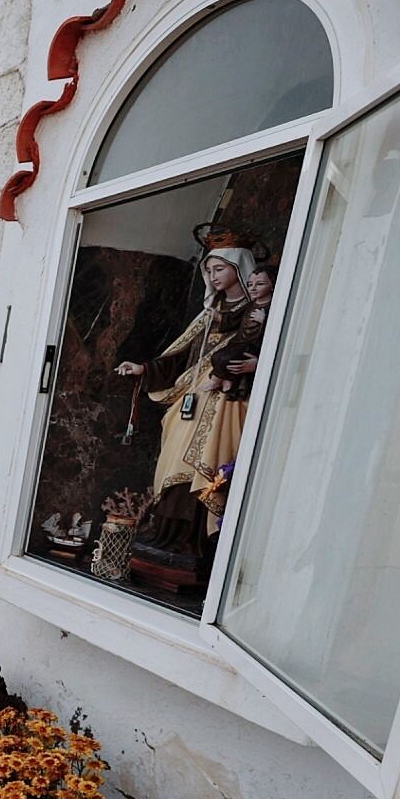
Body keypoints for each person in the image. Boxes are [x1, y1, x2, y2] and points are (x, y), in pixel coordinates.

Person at [115, 239, 263, 563]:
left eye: (219, 269)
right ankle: (166, 536)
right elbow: (180, 353)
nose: (212, 276)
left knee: (207, 458)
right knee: (175, 457)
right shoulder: (209, 313)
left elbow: (258, 351)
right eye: (208, 270)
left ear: (240, 270)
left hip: (225, 400)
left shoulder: (255, 315)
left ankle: (193, 542)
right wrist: (144, 368)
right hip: (193, 394)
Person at [199, 265, 275, 399]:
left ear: (272, 285)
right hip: (239, 341)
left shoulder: (275, 307)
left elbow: (280, 332)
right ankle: (225, 379)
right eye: (250, 284)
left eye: (260, 284)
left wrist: (265, 320)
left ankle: (228, 381)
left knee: (231, 360)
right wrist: (218, 316)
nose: (253, 288)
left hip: (254, 345)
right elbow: (233, 318)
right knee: (217, 356)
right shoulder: (250, 305)